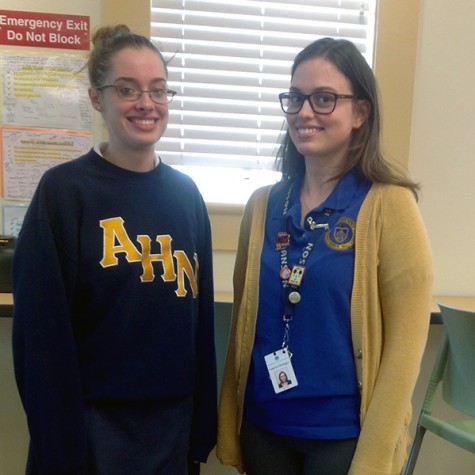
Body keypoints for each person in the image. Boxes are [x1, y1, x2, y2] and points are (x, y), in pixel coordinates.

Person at [217, 37, 433, 475]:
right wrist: (231, 425)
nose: (304, 112)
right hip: (263, 427)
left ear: (360, 113)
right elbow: (244, 323)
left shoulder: (390, 206)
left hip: (342, 439)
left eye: (324, 99)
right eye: (295, 98)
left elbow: (405, 350)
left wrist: (374, 457)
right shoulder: (262, 207)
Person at [12, 25, 217, 475]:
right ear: (95, 99)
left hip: (171, 429)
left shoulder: (187, 196)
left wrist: (203, 429)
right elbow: (41, 341)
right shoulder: (64, 193)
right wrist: (60, 446)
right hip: (90, 431)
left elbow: (199, 327)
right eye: (127, 89)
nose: (146, 103)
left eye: (158, 90)